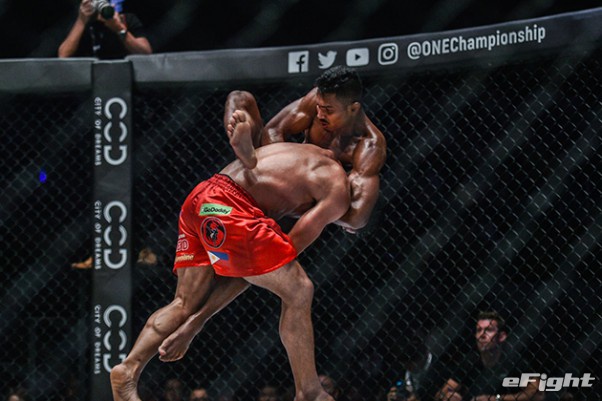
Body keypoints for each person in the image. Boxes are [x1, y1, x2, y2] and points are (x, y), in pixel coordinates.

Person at [110, 110, 350, 401]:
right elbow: (274, 263)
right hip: (232, 208)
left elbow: (254, 270)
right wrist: (198, 323)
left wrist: (195, 322)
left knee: (183, 302)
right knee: (299, 289)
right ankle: (309, 391)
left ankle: (128, 369)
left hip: (201, 197)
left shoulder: (290, 150)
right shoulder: (336, 184)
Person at [156, 65, 387, 363]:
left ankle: (194, 323)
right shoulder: (316, 101)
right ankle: (247, 154)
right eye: (318, 107)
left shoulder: (369, 146)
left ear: (353, 108)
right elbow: (273, 130)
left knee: (268, 264)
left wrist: (322, 200)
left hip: (308, 205)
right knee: (240, 99)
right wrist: (283, 169)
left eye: (328, 110)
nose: (319, 115)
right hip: (271, 182)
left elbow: (357, 217)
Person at [435, 311, 543, 401]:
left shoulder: (513, 360)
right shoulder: (470, 361)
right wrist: (448, 395)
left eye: (488, 330)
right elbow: (443, 392)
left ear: (501, 337)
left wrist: (496, 399)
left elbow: (538, 394)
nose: (482, 335)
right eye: (479, 330)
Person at [58, 0, 152, 59]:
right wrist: (81, 21)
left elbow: (145, 54)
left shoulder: (126, 19)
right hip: (89, 77)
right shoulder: (80, 24)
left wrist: (119, 29)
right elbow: (63, 55)